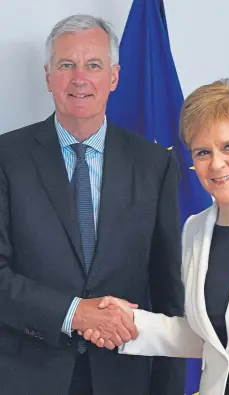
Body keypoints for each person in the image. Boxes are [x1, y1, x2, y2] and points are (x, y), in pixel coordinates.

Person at [0, 14, 185, 395]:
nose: (80, 78)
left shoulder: (154, 165)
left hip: (127, 375)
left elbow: (168, 292)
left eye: (94, 65)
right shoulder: (7, 158)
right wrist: (73, 313)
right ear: (48, 76)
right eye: (67, 65)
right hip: (26, 376)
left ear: (114, 77)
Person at [83, 79, 229, 395]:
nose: (216, 163)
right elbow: (207, 337)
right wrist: (130, 322)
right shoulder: (196, 229)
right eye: (202, 152)